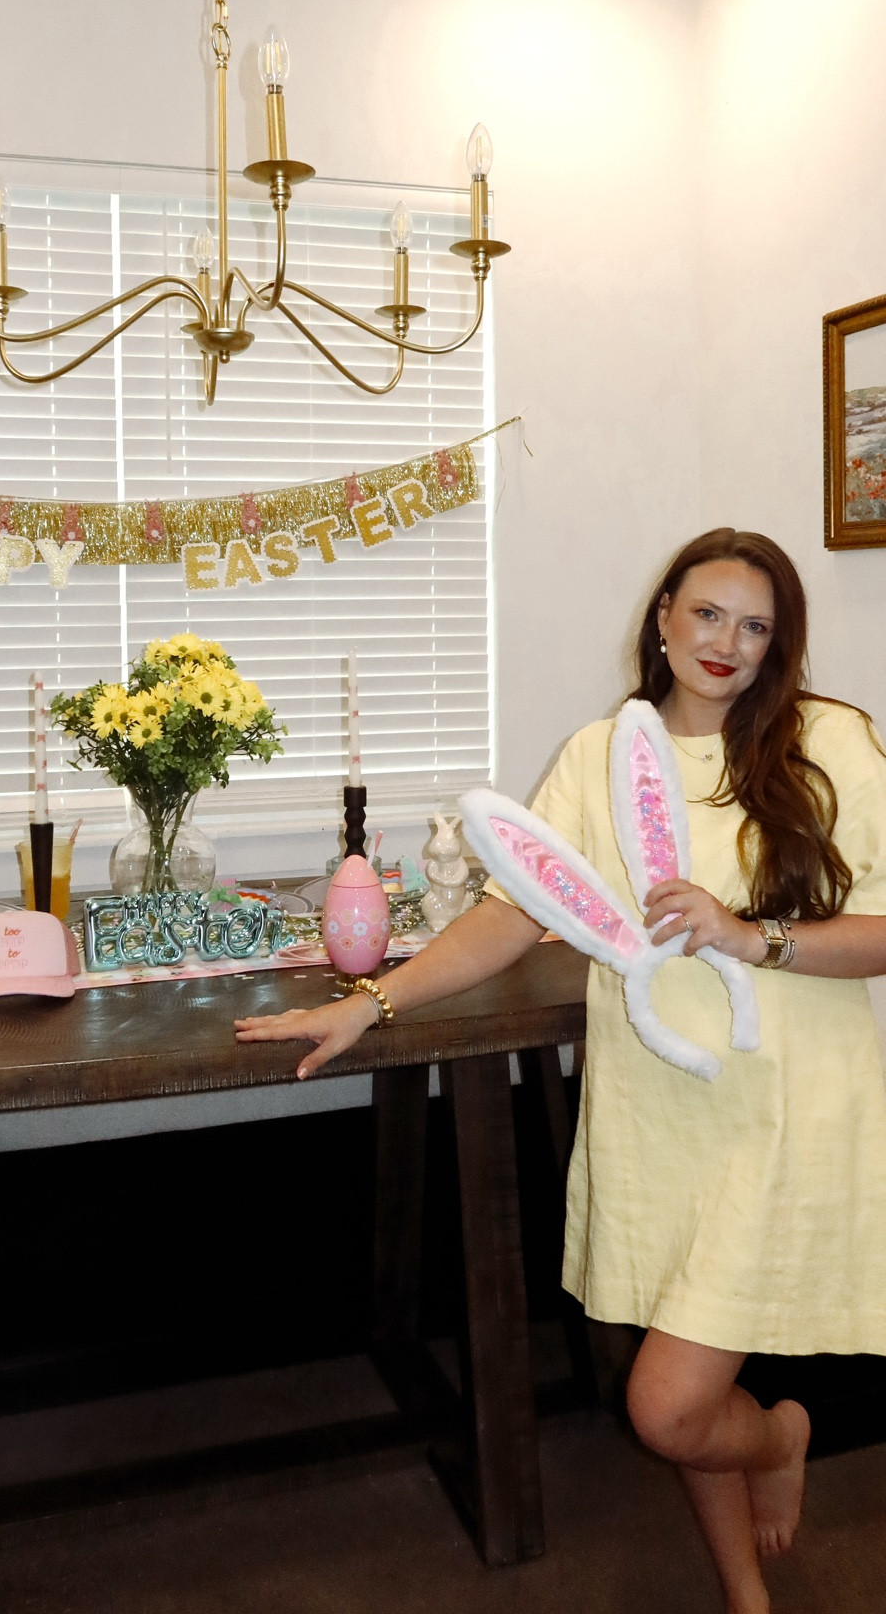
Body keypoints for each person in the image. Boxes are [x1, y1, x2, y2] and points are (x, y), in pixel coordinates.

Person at [236, 528, 886, 1614]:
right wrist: (369, 1004)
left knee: (669, 1404)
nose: (728, 642)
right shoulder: (602, 755)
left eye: (757, 626)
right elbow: (513, 913)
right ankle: (747, 1594)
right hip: (661, 1108)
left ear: (780, 647)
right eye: (709, 613)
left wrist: (749, 934)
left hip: (788, 1109)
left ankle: (779, 1434)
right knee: (680, 1374)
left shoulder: (829, 744)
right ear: (664, 615)